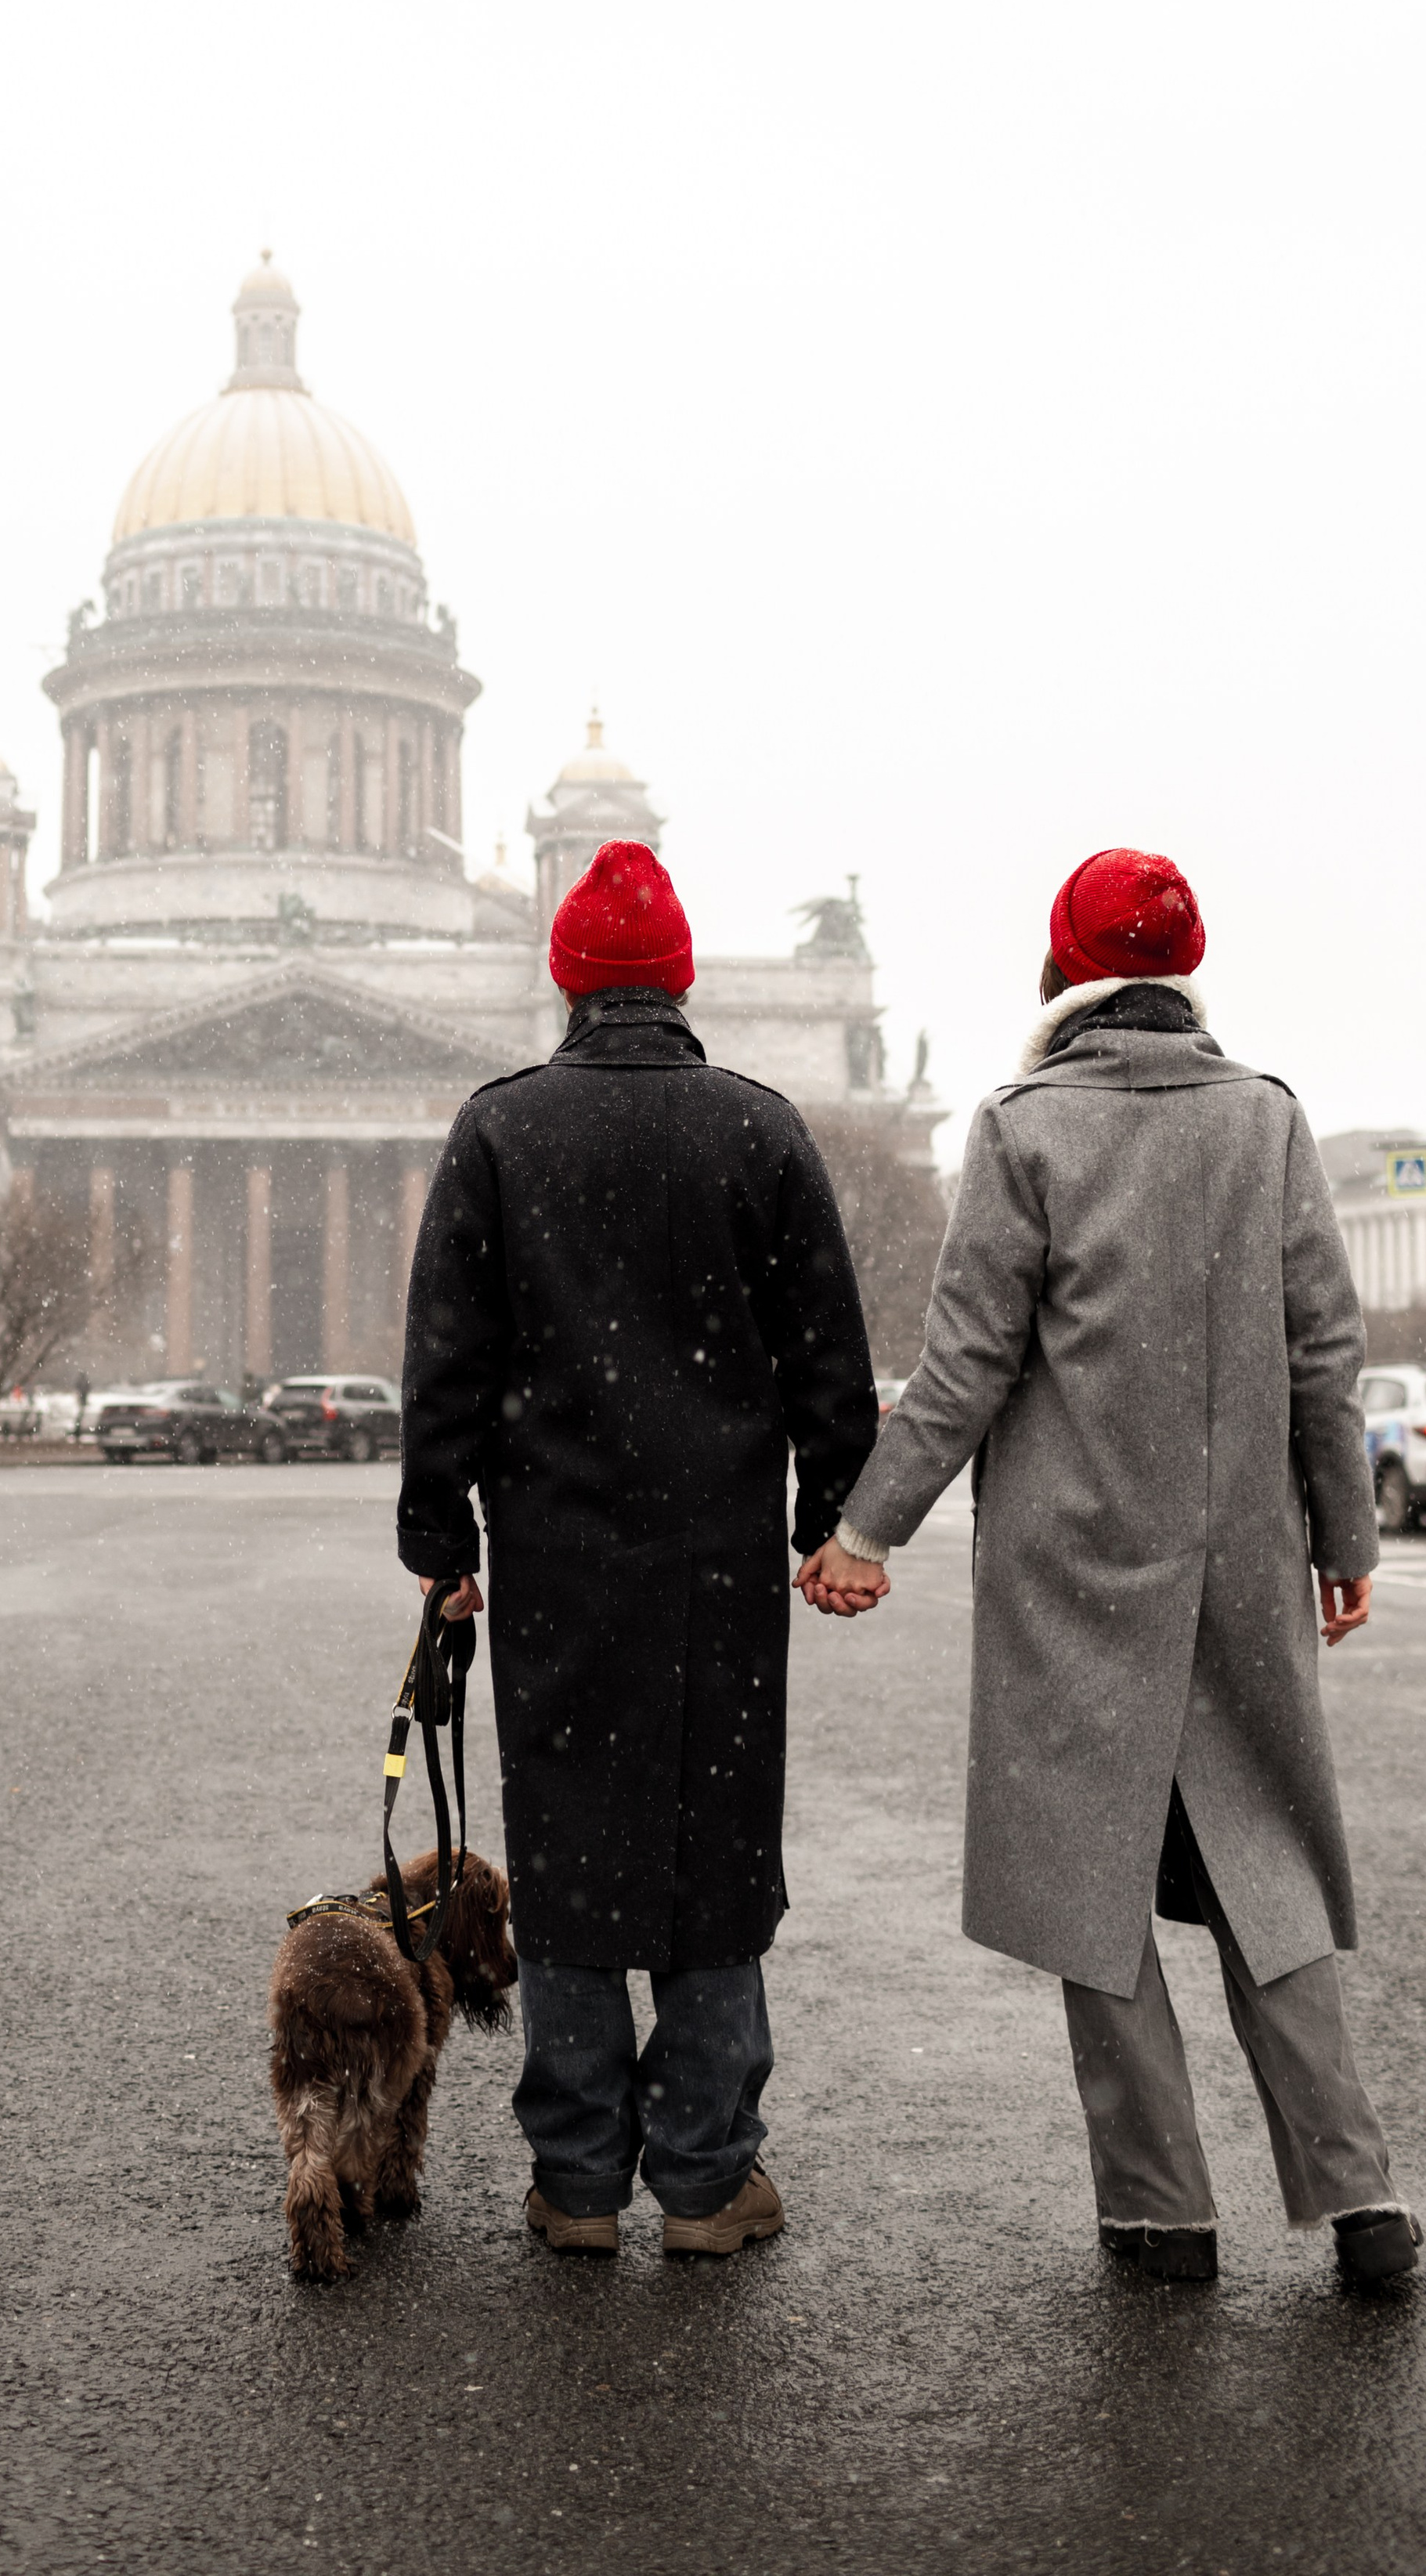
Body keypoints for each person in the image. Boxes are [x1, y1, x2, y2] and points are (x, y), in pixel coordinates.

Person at [799, 848, 1419, 2285]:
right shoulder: (1266, 1117)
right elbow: (1325, 1352)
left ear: (1065, 972)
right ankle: (1361, 2196)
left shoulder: (1026, 1125)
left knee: (1093, 1882)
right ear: (1184, 973)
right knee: (1267, 1866)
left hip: (1072, 1569)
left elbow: (967, 1363)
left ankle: (1160, 2211)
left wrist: (863, 1531)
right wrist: (1345, 1534)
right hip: (1240, 1559)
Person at [399, 840, 879, 2258]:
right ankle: (708, 2180)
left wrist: (442, 1535)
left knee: (570, 1859)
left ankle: (577, 2182)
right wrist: (831, 1520)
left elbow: (447, 1357)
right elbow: (827, 1357)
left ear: (565, 980)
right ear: (681, 978)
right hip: (715, 1561)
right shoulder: (757, 1127)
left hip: (557, 1559)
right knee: (713, 1853)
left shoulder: (501, 1129)